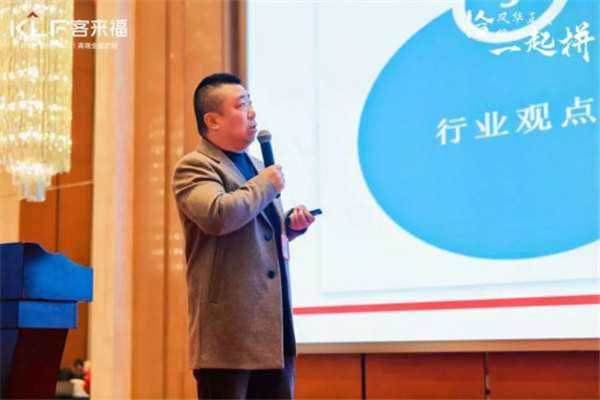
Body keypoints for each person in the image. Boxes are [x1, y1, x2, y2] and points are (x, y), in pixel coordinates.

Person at [172, 72, 316, 399]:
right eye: (240, 106)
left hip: (272, 334)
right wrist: (266, 185)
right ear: (212, 120)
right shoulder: (195, 166)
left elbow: (257, 232)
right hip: (228, 337)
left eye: (250, 103)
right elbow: (217, 215)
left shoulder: (256, 165)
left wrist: (290, 227)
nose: (252, 112)